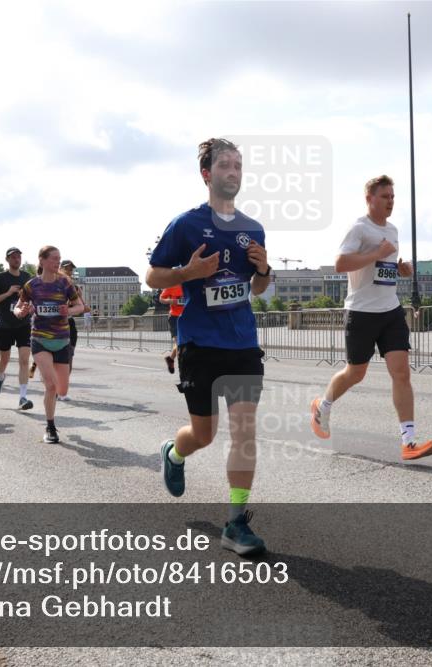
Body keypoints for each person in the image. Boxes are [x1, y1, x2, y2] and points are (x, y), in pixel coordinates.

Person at [147, 137, 273, 556]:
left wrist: (264, 270)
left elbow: (258, 289)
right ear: (206, 174)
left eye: (238, 165)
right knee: (204, 434)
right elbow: (153, 276)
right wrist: (189, 272)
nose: (233, 172)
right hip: (199, 343)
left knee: (244, 432)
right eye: (224, 165)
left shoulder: (253, 229)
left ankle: (236, 522)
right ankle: (174, 453)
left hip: (243, 343)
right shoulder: (186, 225)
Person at [310, 175, 432, 461]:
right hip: (361, 312)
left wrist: (400, 268)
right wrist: (376, 253)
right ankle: (322, 406)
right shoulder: (359, 228)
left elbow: (384, 267)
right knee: (355, 373)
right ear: (369, 198)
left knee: (401, 373)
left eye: (392, 197)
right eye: (385, 196)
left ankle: (408, 442)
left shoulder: (392, 230)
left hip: (390, 310)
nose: (390, 201)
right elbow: (340, 263)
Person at [14, 246, 78, 443]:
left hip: (62, 340)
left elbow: (80, 306)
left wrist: (68, 310)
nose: (57, 262)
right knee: (50, 386)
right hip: (40, 339)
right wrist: (20, 312)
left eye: (59, 258)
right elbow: (17, 307)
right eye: (54, 258)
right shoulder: (31, 285)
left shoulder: (64, 283)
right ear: (42, 261)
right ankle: (50, 427)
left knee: (62, 390)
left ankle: (49, 379)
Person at [0, 248, 34, 410]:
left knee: (24, 360)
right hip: (5, 325)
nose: (16, 259)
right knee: (4, 358)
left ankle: (22, 397)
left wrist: (31, 308)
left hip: (23, 324)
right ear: (7, 259)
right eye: (13, 257)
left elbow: (34, 298)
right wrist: (8, 293)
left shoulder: (27, 277)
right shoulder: (0, 278)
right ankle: (1, 376)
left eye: (18, 257)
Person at [56, 259, 87, 401]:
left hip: (70, 324)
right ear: (60, 268)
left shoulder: (74, 286)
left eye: (71, 269)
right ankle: (54, 388)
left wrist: (79, 296)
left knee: (69, 358)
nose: (69, 271)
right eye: (67, 268)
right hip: (55, 324)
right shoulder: (54, 283)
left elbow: (84, 308)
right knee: (57, 359)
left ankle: (61, 390)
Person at [159, 283, 186, 373]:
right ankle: (183, 369)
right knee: (179, 343)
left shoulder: (188, 284)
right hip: (174, 317)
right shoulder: (171, 285)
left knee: (183, 343)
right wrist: (170, 301)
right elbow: (161, 299)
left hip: (187, 316)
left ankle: (170, 359)